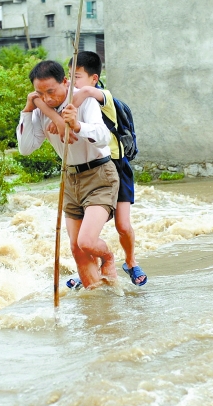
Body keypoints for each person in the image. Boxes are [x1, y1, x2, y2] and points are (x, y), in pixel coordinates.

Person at [35, 52, 147, 287]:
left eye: (76, 77)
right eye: (69, 76)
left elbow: (84, 93)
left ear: (94, 78)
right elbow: (36, 99)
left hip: (113, 165)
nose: (72, 82)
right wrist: (55, 116)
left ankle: (130, 261)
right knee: (81, 242)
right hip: (83, 173)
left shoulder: (98, 96)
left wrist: (64, 115)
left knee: (122, 225)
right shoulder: (68, 99)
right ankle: (90, 275)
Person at [17, 60, 119, 289]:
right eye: (40, 93)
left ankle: (109, 257)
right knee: (76, 248)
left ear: (65, 81)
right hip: (71, 178)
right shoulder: (41, 109)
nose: (47, 98)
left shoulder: (84, 101)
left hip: (99, 175)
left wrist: (78, 125)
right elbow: (25, 148)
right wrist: (27, 110)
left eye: (51, 91)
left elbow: (103, 136)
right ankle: (99, 299)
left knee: (86, 241)